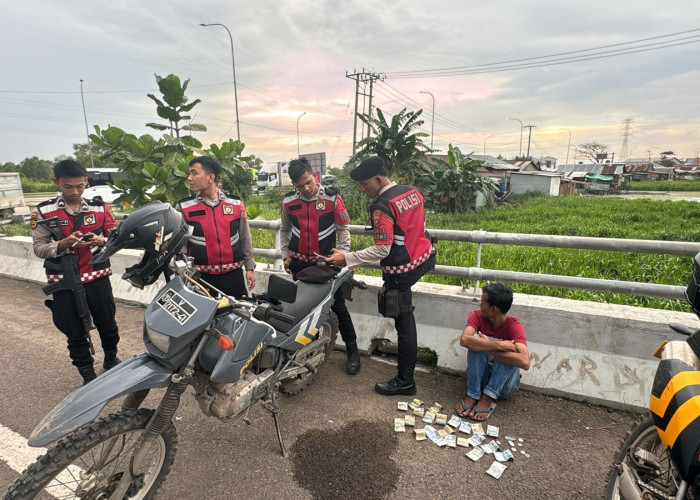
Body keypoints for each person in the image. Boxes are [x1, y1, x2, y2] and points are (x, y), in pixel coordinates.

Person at [323, 156, 435, 396]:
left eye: (365, 185)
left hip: (401, 270)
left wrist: (347, 257)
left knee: (404, 324)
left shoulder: (382, 205)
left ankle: (405, 380)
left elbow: (382, 249)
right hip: (424, 258)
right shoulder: (412, 192)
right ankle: (406, 377)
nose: (364, 191)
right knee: (406, 321)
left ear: (378, 178)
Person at [30, 159, 121, 385]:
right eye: (68, 186)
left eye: (80, 186)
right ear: (56, 182)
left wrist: (101, 240)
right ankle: (87, 376)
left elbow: (117, 238)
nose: (74, 192)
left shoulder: (100, 208)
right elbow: (39, 248)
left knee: (107, 323)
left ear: (86, 182)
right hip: (63, 280)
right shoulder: (43, 211)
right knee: (74, 331)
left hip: (96, 275)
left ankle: (111, 359)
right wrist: (63, 244)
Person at [280, 158, 360, 374]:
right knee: (302, 308)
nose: (306, 189)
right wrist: (285, 254)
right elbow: (285, 230)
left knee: (339, 307)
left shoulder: (332, 198)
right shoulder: (288, 202)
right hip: (298, 265)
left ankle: (353, 351)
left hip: (325, 264)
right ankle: (305, 350)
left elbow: (343, 228)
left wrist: (343, 255)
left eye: (308, 182)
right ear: (293, 185)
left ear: (314, 176)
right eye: (299, 185)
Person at [176, 156, 255, 298]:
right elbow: (181, 245)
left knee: (238, 316)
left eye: (194, 173)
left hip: (233, 276)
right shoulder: (184, 207)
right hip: (201, 278)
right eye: (190, 173)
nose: (189, 178)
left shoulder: (235, 204)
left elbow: (245, 237)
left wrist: (249, 268)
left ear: (210, 177)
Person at [455, 283, 530, 421]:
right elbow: (464, 340)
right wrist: (498, 345)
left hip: (504, 387)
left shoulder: (514, 326)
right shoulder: (477, 316)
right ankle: (473, 394)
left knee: (511, 354)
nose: (480, 305)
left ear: (494, 309)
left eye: (483, 302)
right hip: (480, 381)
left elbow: (525, 362)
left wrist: (488, 346)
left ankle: (487, 397)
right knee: (475, 340)